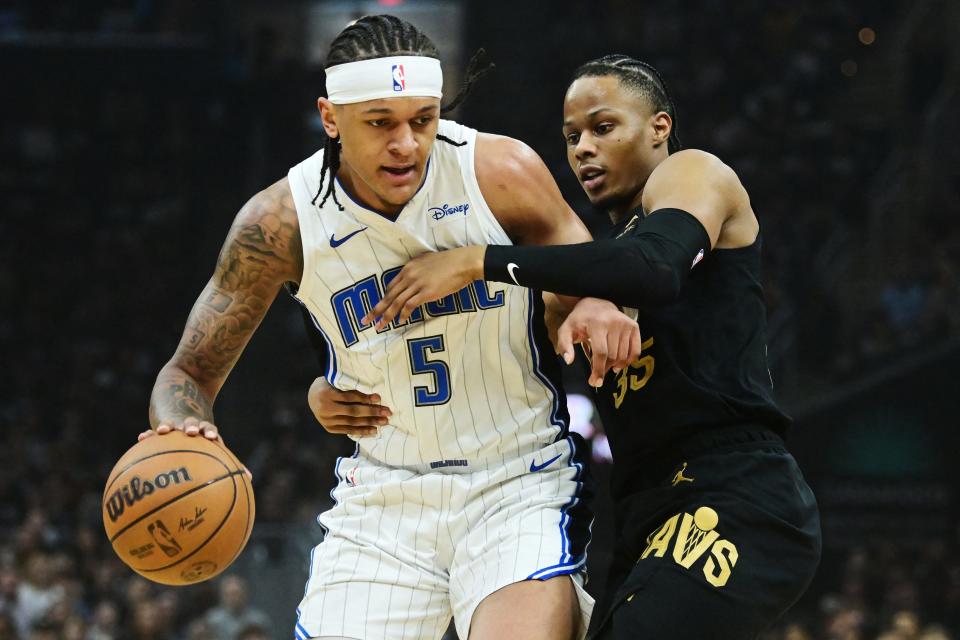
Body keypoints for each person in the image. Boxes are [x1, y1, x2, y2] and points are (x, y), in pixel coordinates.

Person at [140, 15, 641, 640]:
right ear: (331, 118)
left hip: (518, 478)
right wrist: (185, 429)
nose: (406, 143)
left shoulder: (499, 172)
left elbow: (592, 279)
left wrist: (592, 301)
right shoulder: (280, 222)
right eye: (380, 122)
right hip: (384, 492)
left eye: (422, 119)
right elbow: (186, 373)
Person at [363, 55, 822, 638]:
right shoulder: (601, 263)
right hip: (641, 507)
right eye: (572, 136)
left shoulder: (691, 173)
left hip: (733, 490)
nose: (583, 149)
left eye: (603, 128)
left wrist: (479, 260)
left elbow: (654, 269)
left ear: (659, 126)